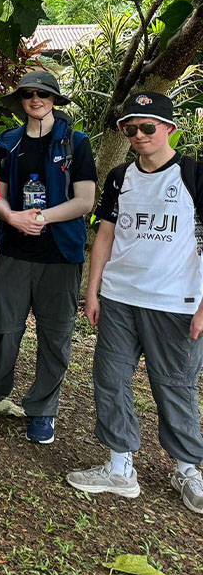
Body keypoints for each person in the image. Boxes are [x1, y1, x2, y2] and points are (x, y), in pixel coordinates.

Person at [67, 91, 203, 515]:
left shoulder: (194, 175)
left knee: (174, 385)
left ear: (169, 129)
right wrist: (93, 289)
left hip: (176, 302)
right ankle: (120, 464)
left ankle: (188, 468)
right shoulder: (120, 177)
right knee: (110, 377)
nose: (139, 135)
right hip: (120, 297)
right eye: (130, 128)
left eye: (148, 126)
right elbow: (105, 233)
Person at [0, 71, 96, 442]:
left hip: (60, 253)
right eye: (29, 94)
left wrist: (43, 217)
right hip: (14, 250)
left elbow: (85, 200)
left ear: (54, 99)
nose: (36, 100)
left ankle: (42, 410)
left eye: (44, 94)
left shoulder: (75, 143)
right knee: (3, 328)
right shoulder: (7, 142)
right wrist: (12, 216)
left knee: (55, 335)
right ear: (20, 101)